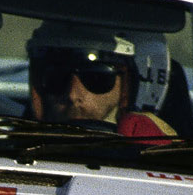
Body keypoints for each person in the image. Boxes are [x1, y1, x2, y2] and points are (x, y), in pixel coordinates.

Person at [25, 21, 179, 138]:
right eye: (56, 77)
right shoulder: (7, 152)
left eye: (96, 78)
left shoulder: (169, 165)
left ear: (129, 87)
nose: (72, 95)